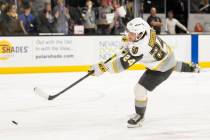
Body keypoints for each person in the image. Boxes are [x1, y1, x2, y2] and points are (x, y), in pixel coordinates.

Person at [89, 17, 200, 128]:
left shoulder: (140, 48)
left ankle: (140, 116)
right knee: (171, 64)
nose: (129, 35)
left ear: (140, 34)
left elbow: (120, 66)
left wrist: (102, 68)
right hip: (167, 56)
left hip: (161, 68)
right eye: (129, 32)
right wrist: (126, 43)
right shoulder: (147, 30)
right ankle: (191, 67)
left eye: (132, 33)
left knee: (139, 89)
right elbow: (129, 39)